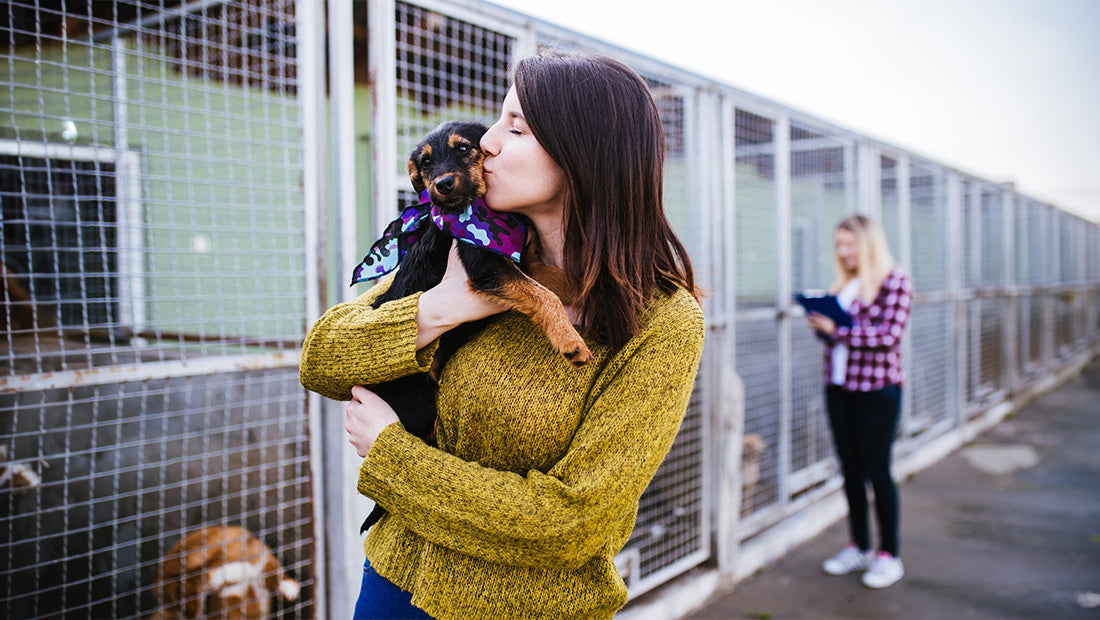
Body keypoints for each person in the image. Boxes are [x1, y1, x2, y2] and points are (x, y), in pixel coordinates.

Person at [299, 49, 704, 619]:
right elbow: (320, 359)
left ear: (583, 155)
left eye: (514, 127)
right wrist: (441, 307)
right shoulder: (469, 252)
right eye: (496, 120)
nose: (487, 141)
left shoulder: (662, 321)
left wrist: (392, 457)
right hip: (391, 581)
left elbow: (572, 523)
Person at [805, 213, 912, 589]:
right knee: (850, 470)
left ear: (867, 244)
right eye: (839, 244)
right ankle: (861, 547)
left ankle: (889, 555)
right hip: (839, 388)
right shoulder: (844, 283)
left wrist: (840, 329)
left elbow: (889, 336)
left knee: (877, 471)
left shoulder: (894, 281)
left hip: (877, 391)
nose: (843, 251)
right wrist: (823, 327)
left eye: (850, 244)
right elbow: (839, 340)